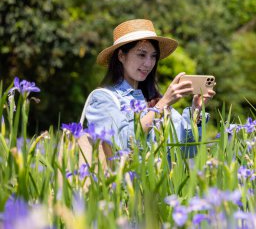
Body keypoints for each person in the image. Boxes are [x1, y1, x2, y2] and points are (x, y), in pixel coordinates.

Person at [83, 19, 215, 157]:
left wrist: (196, 112)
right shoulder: (103, 98)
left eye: (153, 56)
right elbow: (120, 146)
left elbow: (187, 151)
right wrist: (162, 105)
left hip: (160, 179)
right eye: (141, 54)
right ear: (121, 55)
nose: (148, 63)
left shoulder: (154, 98)